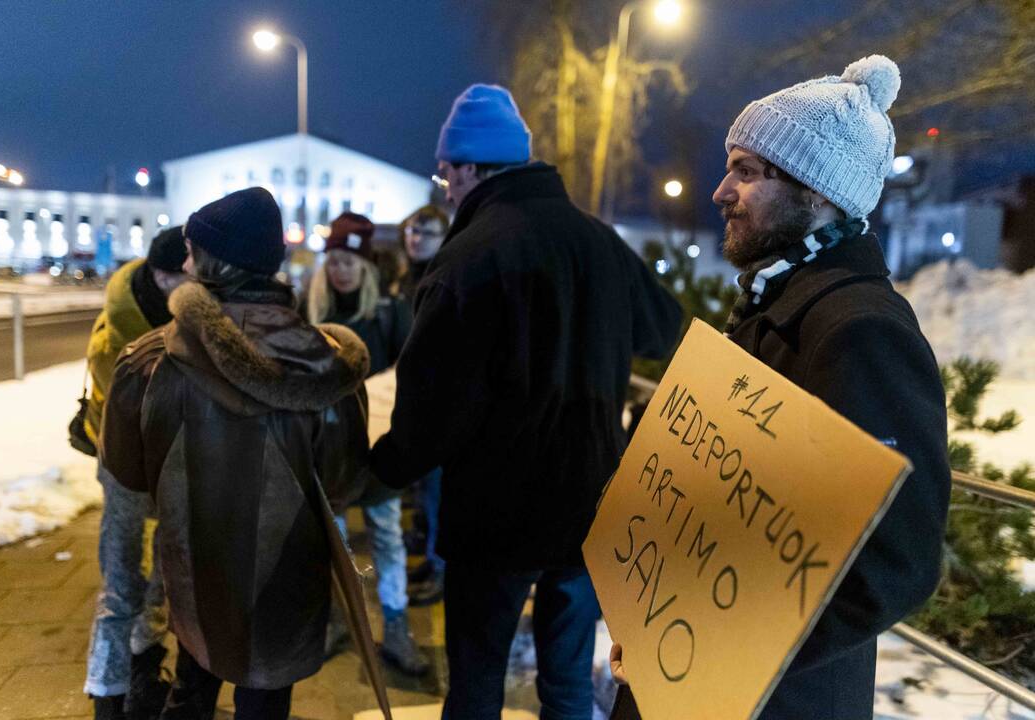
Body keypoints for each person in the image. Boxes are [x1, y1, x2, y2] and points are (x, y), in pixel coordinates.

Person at [609, 55, 951, 720]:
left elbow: (894, 562)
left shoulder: (861, 332)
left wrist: (714, 648)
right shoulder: (776, 303)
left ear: (818, 192)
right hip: (683, 671)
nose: (720, 191)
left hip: (758, 700)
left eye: (746, 171)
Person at [369, 83, 684, 720]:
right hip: (589, 507)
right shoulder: (599, 243)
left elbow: (434, 407)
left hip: (495, 516)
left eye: (445, 173)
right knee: (567, 684)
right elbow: (669, 334)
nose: (445, 188)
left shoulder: (466, 258)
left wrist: (384, 465)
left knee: (478, 685)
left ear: (469, 167)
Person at [99, 187, 371, 719]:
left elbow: (128, 481)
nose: (182, 261)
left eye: (191, 248)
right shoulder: (330, 367)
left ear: (209, 261)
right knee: (266, 704)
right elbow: (342, 484)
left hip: (192, 580)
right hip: (287, 589)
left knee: (191, 687)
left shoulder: (146, 364)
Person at [307, 211, 430, 676]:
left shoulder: (389, 312)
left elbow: (410, 371)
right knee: (332, 540)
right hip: (325, 453)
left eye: (349, 262)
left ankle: (396, 628)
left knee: (386, 537)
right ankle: (339, 619)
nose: (340, 270)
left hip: (377, 450)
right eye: (334, 261)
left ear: (364, 267)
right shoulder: (311, 311)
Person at [83, 226, 187, 720]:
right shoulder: (118, 339)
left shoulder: (176, 312)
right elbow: (131, 420)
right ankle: (107, 696)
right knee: (121, 582)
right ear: (160, 273)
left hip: (170, 463)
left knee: (164, 577)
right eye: (183, 277)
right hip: (125, 464)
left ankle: (144, 669)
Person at [398, 204, 451, 606]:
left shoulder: (444, 279)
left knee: (438, 492)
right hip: (413, 400)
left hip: (438, 405)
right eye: (412, 232)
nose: (415, 239)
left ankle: (441, 568)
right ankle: (432, 561)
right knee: (424, 491)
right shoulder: (407, 280)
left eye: (426, 233)